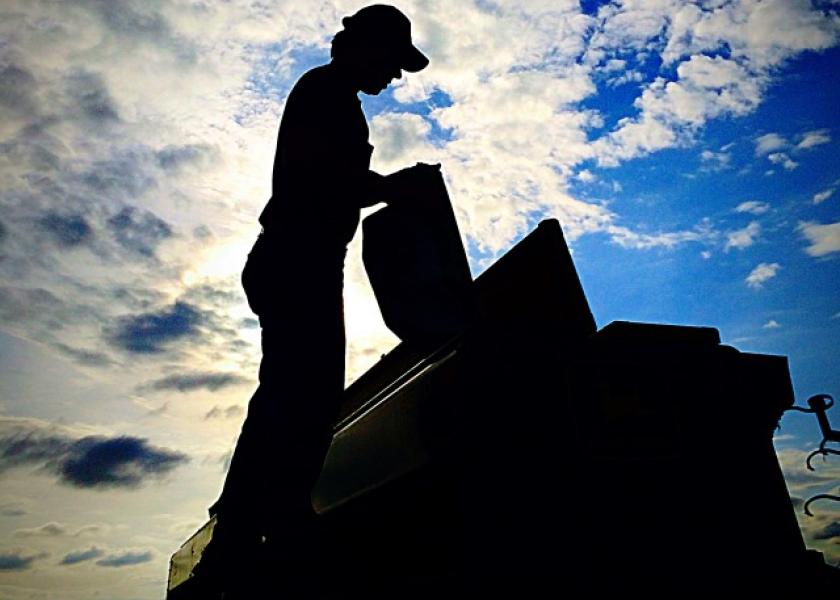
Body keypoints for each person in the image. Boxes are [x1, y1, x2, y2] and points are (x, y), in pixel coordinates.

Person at [196, 4, 434, 594]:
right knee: (293, 394)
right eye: (393, 62)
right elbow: (327, 177)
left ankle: (272, 516)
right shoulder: (324, 91)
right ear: (367, 46)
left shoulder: (337, 100)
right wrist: (394, 188)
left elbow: (337, 181)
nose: (395, 78)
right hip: (296, 258)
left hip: (307, 262)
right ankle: (248, 533)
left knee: (301, 393)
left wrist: (384, 190)